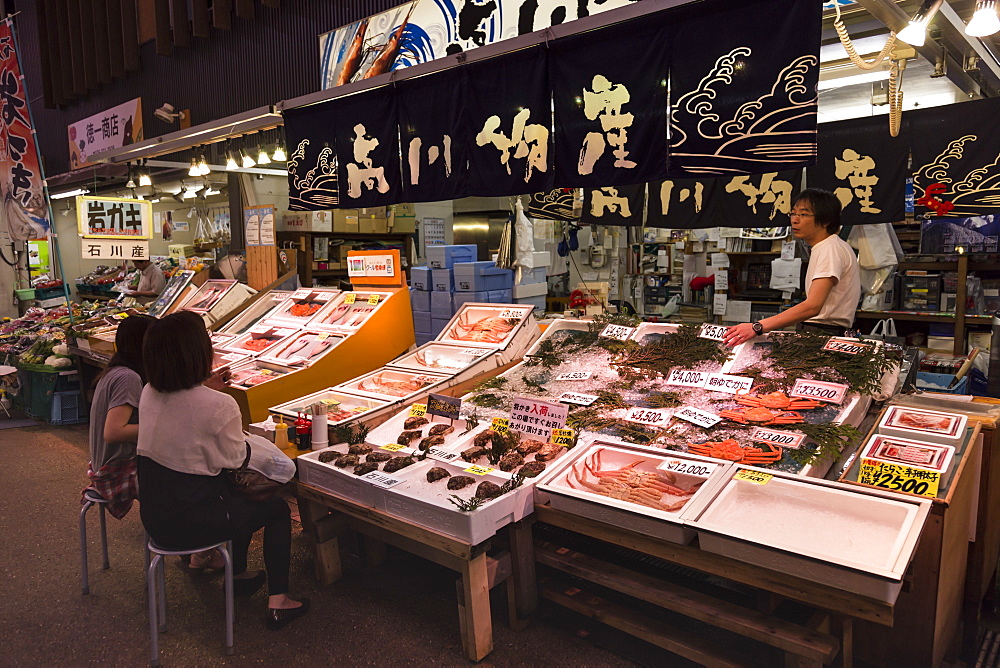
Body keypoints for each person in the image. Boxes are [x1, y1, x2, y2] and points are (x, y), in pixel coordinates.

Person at [136, 311, 309, 630]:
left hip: (155, 517)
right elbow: (235, 459)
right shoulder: (218, 404)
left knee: (231, 495)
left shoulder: (148, 392)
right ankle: (279, 601)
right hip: (196, 523)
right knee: (275, 509)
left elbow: (185, 417)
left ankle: (239, 575)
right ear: (198, 352)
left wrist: (205, 388)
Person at [723, 188, 861, 347]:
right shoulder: (828, 247)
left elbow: (813, 306)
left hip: (824, 335)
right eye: (793, 213)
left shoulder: (830, 248)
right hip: (822, 333)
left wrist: (757, 327)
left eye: (803, 214)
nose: (795, 220)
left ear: (826, 220)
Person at [84, 314, 155, 519]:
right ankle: (197, 546)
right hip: (114, 471)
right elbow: (114, 432)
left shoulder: (115, 371)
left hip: (105, 466)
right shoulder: (128, 377)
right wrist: (163, 427)